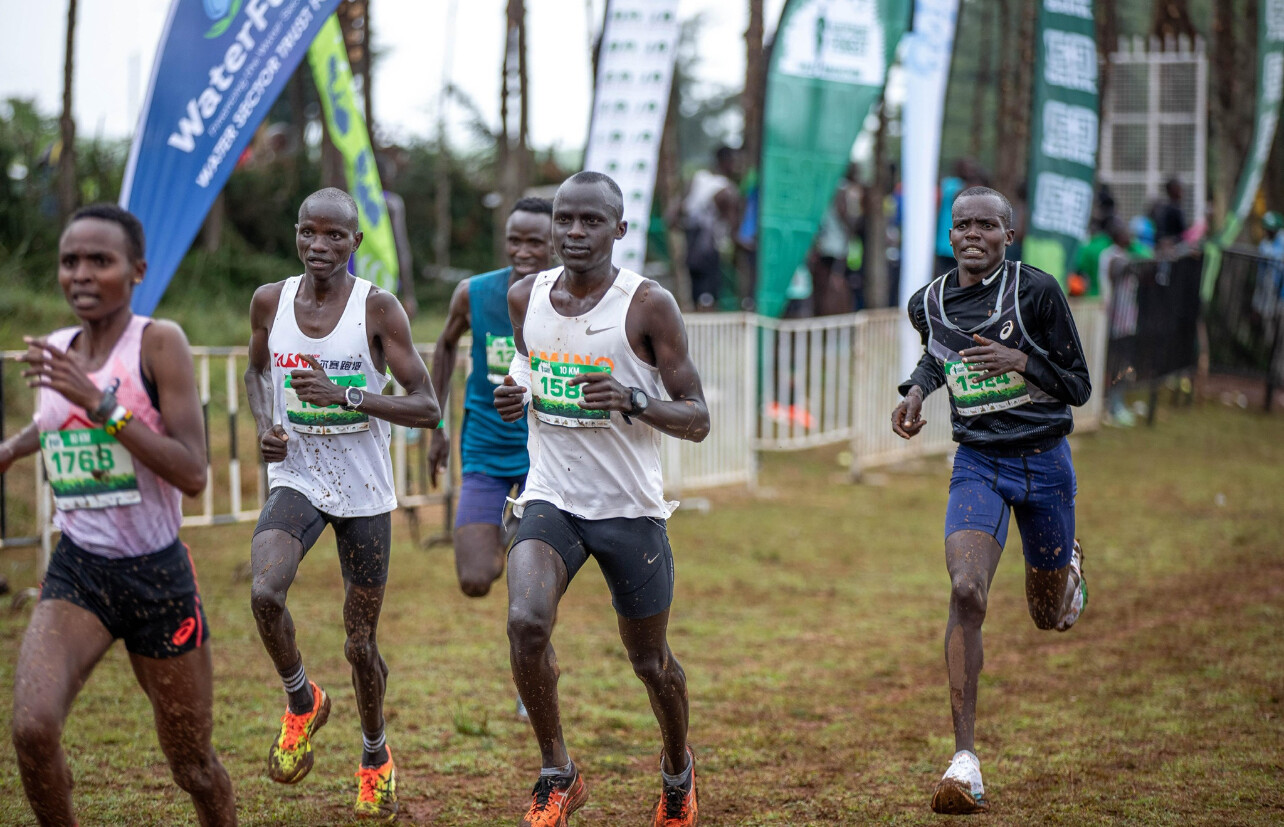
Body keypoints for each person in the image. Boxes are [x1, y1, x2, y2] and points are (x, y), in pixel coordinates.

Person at [4, 204, 236, 826]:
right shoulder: (58, 350)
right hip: (80, 570)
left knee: (192, 765)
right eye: (69, 261)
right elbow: (52, 422)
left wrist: (101, 405)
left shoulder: (158, 343)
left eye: (99, 261)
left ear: (136, 271)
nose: (81, 273)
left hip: (157, 577)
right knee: (32, 729)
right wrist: (11, 450)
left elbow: (192, 473)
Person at [494, 171, 710, 827]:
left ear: (619, 229)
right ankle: (557, 772)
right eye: (565, 219)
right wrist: (515, 391)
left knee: (651, 662)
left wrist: (633, 399)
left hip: (628, 509)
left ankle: (678, 771)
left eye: (591, 221)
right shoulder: (525, 295)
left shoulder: (647, 306)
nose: (575, 232)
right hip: (552, 497)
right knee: (526, 623)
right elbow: (529, 364)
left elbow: (698, 417)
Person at [891, 187, 1091, 815]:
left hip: (1045, 463)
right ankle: (964, 761)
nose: (972, 234)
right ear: (950, 234)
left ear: (1008, 234)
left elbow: (1079, 386)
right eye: (962, 225)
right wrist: (916, 391)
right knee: (966, 590)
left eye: (986, 225)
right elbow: (939, 356)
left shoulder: (1037, 293)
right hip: (978, 462)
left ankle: (1068, 571)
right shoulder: (927, 302)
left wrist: (1020, 360)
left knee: (1047, 616)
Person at [244, 187, 440, 821]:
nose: (319, 246)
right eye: (309, 232)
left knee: (360, 643)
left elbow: (427, 407)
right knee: (265, 592)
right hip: (297, 477)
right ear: (296, 234)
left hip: (363, 492)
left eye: (334, 236)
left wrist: (347, 396)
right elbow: (256, 372)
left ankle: (375, 754)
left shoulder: (377, 309)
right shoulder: (270, 302)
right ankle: (302, 701)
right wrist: (265, 425)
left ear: (355, 242)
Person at [428, 196, 555, 720]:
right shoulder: (474, 293)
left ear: (555, 245)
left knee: (532, 587)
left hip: (545, 452)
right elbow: (444, 345)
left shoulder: (567, 299)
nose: (523, 251)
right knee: (476, 578)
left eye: (535, 242)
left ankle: (534, 677)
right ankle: (510, 536)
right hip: (483, 444)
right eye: (514, 241)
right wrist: (437, 424)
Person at [681, 145, 740, 310]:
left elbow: (677, 211)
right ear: (726, 161)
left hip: (692, 245)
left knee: (697, 296)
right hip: (708, 247)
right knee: (709, 298)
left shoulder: (699, 179)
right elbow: (733, 226)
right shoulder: (726, 190)